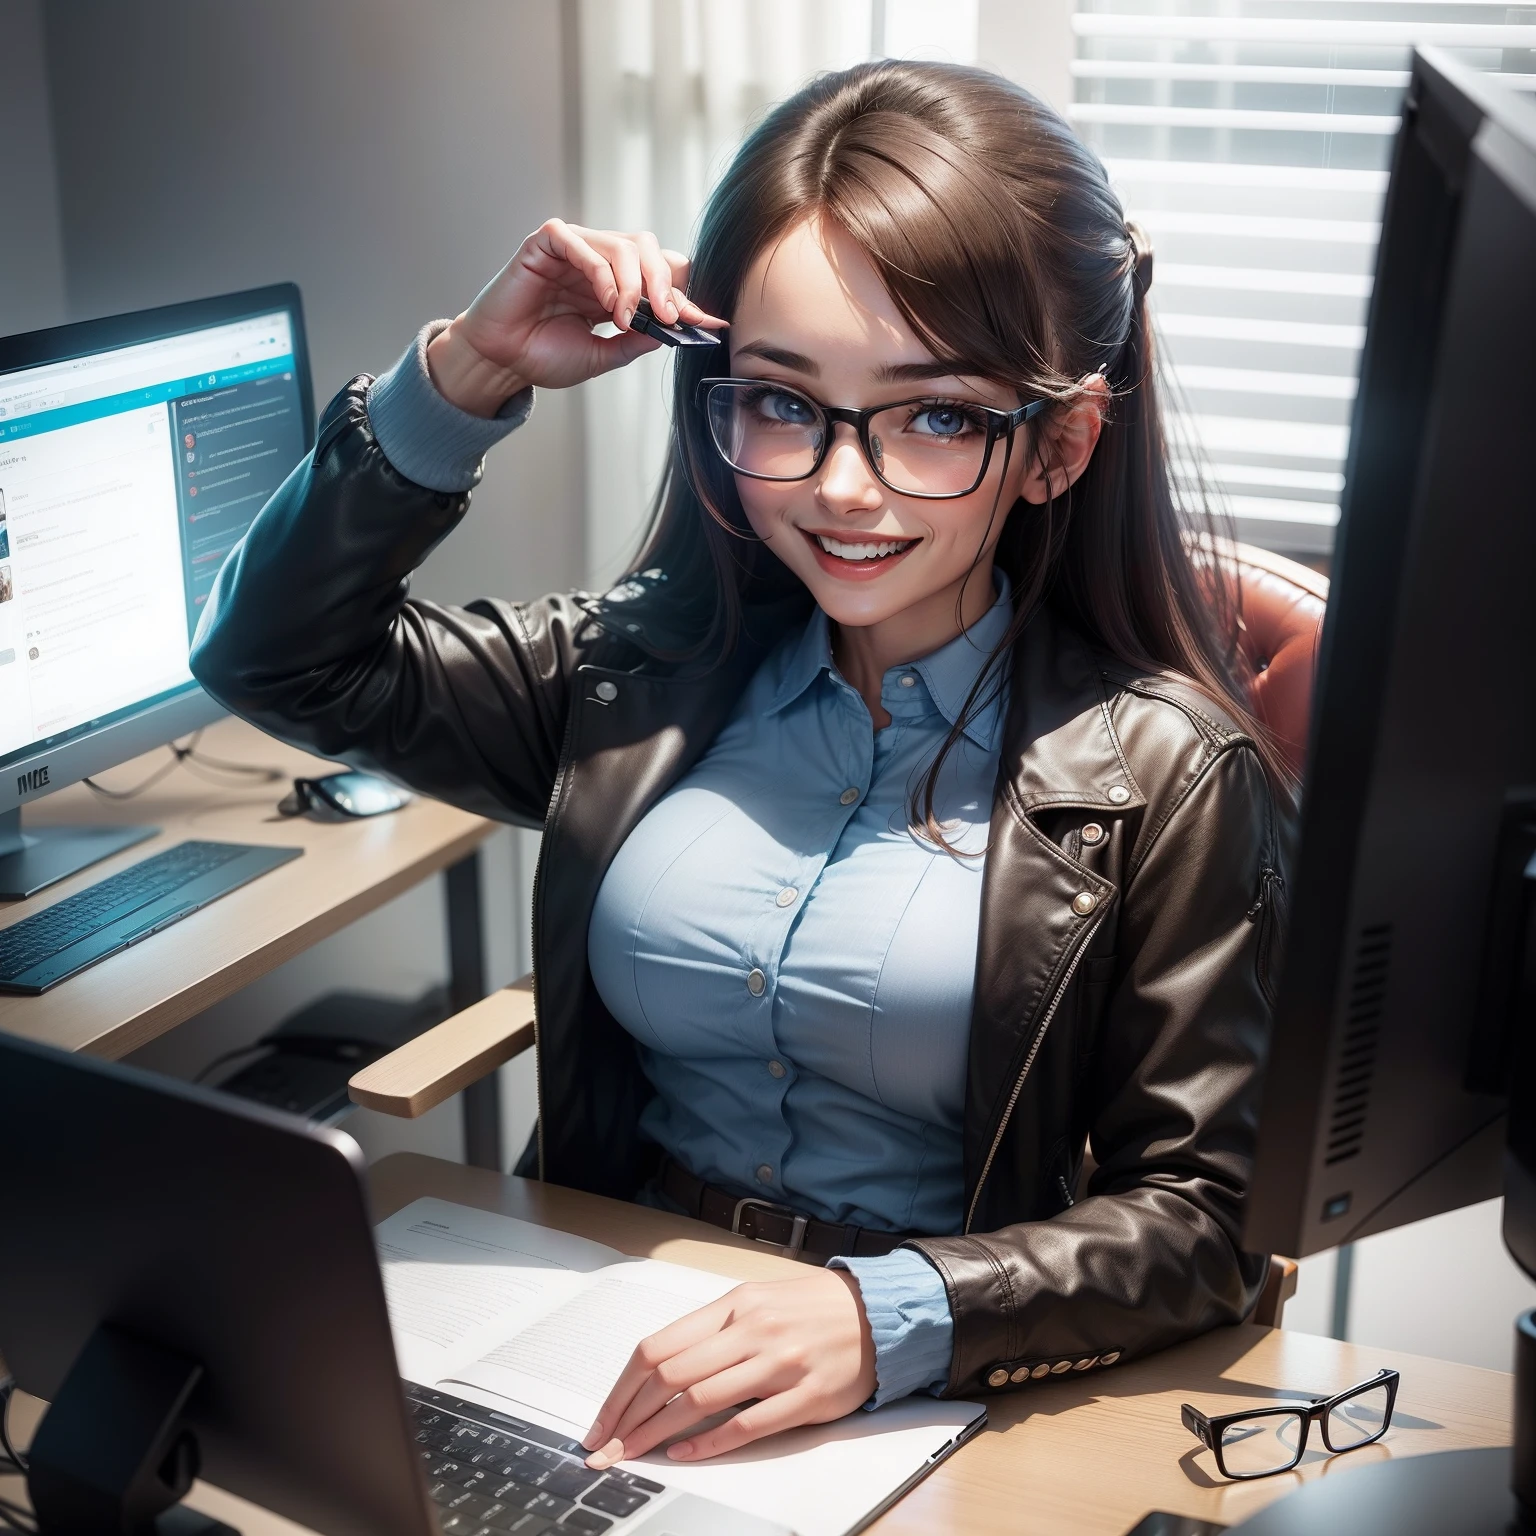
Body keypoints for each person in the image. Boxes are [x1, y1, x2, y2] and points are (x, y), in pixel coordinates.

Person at [191, 61, 1290, 1470]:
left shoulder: (1170, 775)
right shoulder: (633, 680)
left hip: (935, 1393)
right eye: (782, 402)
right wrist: (467, 373)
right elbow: (275, 658)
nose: (842, 484)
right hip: (600, 1343)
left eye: (936, 415)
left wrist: (886, 1314)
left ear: (1059, 445)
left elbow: (1210, 1217)